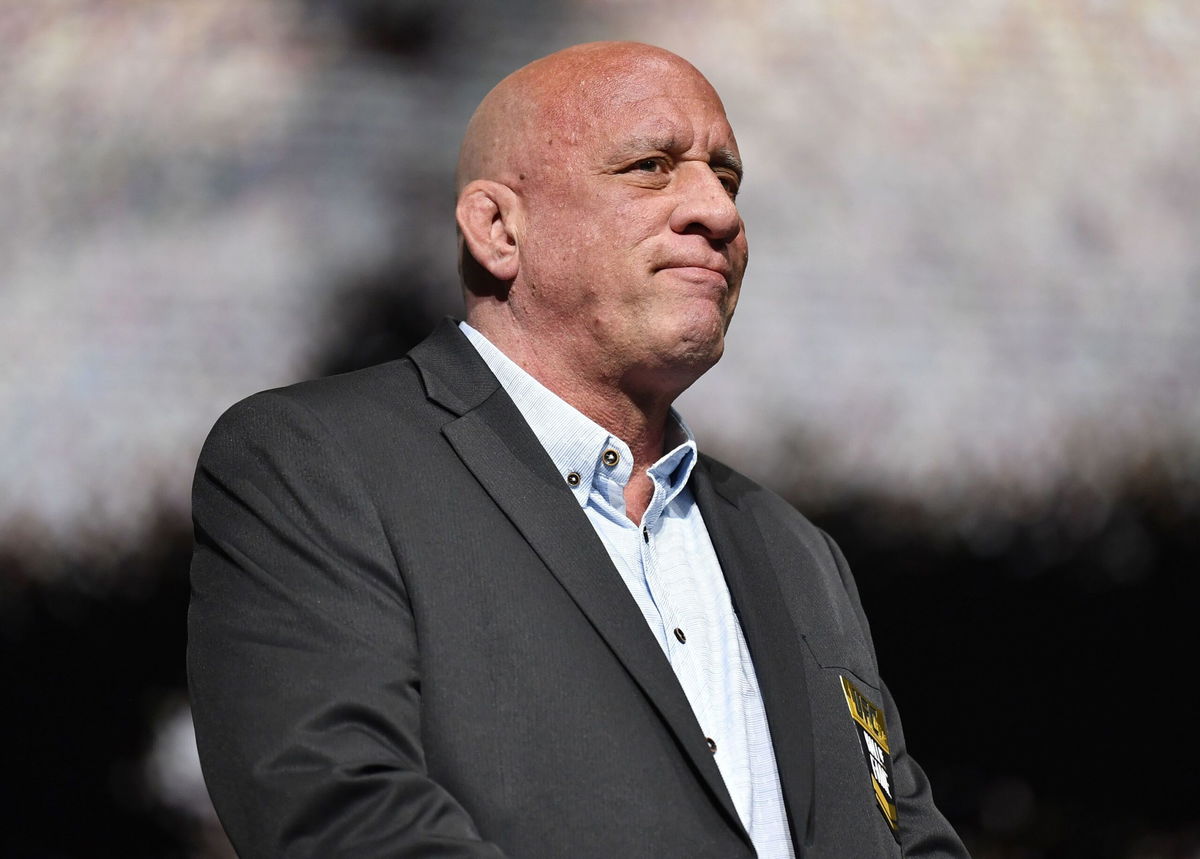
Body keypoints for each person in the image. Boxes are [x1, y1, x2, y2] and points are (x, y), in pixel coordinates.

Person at [188, 41, 968, 858]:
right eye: (650, 166)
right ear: (497, 228)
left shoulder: (799, 552)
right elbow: (344, 816)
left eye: (727, 178)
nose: (719, 213)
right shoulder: (317, 465)